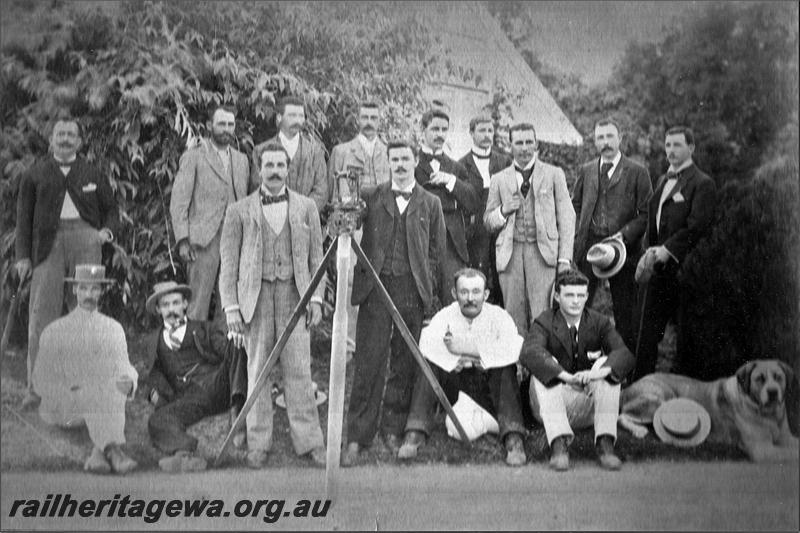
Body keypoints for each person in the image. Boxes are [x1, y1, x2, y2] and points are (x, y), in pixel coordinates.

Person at [219, 142, 326, 468]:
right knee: (257, 371)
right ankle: (258, 442)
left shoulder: (306, 207)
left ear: (288, 169)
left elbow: (317, 258)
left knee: (299, 369)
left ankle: (309, 442)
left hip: (296, 297)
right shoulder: (239, 211)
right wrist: (231, 307)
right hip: (256, 299)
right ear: (259, 169)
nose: (276, 171)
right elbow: (229, 265)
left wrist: (316, 298)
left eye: (281, 165)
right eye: (269, 165)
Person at [342, 140, 447, 466]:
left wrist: (432, 299)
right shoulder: (371, 196)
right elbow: (347, 221)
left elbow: (436, 253)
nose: (400, 164)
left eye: (405, 158)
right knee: (368, 360)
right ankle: (358, 436)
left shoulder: (430, 202)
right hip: (375, 289)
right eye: (395, 159)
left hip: (411, 291)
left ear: (415, 161)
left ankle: (392, 428)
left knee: (404, 362)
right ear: (388, 162)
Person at [15, 116, 119, 410]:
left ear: (79, 141)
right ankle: (36, 389)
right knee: (41, 316)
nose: (64, 139)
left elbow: (111, 209)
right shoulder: (34, 174)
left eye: (70, 135)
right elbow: (23, 219)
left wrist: (104, 233)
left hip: (86, 241)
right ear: (51, 140)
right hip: (47, 245)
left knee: (85, 313)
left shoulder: (92, 172)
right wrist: (23, 257)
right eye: (60, 134)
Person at [399, 268, 527, 465]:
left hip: (488, 389)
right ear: (454, 293)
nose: (470, 298)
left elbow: (514, 347)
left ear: (486, 294)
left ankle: (513, 437)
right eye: (464, 292)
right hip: (455, 386)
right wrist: (454, 361)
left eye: (476, 292)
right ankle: (415, 432)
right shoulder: (445, 316)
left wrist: (472, 352)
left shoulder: (498, 316)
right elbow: (426, 344)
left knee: (505, 370)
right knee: (429, 366)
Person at [520, 269, 634, 471]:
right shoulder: (544, 321)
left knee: (606, 364)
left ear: (587, 296)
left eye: (580, 295)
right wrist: (565, 376)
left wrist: (597, 373)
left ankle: (605, 443)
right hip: (550, 405)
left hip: (586, 405)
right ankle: (559, 445)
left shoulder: (599, 321)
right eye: (569, 295)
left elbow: (624, 354)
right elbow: (530, 352)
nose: (575, 301)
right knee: (545, 367)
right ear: (557, 296)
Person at [32, 264, 138, 475]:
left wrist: (129, 381)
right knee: (96, 392)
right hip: (62, 405)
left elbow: (124, 366)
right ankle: (113, 452)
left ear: (102, 291)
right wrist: (68, 388)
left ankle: (98, 454)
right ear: (74, 290)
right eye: (83, 288)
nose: (89, 295)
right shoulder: (56, 330)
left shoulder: (113, 329)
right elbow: (40, 379)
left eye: (95, 288)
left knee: (111, 388)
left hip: (97, 401)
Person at [633, 126, 717, 380]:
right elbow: (655, 220)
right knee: (645, 335)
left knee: (685, 340)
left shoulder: (702, 183)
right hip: (657, 270)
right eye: (668, 145)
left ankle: (681, 393)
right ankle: (640, 387)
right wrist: (649, 251)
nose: (671, 150)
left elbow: (698, 226)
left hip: (684, 272)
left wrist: (668, 250)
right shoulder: (662, 180)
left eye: (677, 145)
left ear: (691, 148)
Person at [143, 281, 247, 472]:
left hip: (216, 385)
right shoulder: (153, 341)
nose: (171, 309)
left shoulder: (204, 329)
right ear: (158, 309)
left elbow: (225, 350)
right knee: (157, 420)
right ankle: (185, 454)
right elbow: (152, 375)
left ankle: (238, 409)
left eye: (175, 303)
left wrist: (233, 340)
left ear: (185, 304)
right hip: (188, 398)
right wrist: (154, 395)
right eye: (165, 305)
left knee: (236, 344)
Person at [484, 123, 575, 336]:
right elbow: (488, 221)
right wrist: (503, 211)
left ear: (536, 144)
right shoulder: (499, 179)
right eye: (519, 143)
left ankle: (540, 358)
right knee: (513, 317)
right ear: (510, 146)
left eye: (528, 142)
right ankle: (517, 358)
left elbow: (567, 217)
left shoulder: (554, 174)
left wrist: (564, 259)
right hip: (510, 254)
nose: (524, 148)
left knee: (543, 316)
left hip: (543, 254)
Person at [572, 118, 652, 349]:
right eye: (600, 137)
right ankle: (580, 354)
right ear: (594, 141)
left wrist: (623, 236)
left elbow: (646, 213)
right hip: (589, 248)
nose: (605, 142)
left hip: (623, 250)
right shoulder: (587, 170)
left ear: (620, 139)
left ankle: (623, 360)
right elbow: (575, 205)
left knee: (625, 311)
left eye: (610, 136)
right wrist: (578, 234)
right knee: (578, 304)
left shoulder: (637, 172)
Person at [169, 105, 254, 323]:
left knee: (229, 303)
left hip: (234, 240)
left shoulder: (241, 160)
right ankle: (193, 343)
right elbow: (179, 202)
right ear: (209, 125)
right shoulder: (194, 156)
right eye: (221, 124)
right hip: (204, 241)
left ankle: (223, 343)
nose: (226, 129)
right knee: (198, 302)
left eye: (230, 124)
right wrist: (183, 240)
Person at [327, 100, 391, 357]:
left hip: (381, 229)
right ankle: (347, 345)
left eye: (374, 117)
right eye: (365, 117)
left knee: (380, 282)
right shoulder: (342, 151)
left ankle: (375, 345)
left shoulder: (388, 153)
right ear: (357, 119)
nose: (369, 122)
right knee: (349, 282)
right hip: (352, 229)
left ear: (380, 120)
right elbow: (333, 196)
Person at [415, 109, 482, 305]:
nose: (440, 134)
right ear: (423, 130)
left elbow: (473, 203)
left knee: (452, 301)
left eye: (444, 129)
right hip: (420, 239)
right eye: (435, 129)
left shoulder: (456, 168)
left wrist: (450, 180)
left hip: (451, 245)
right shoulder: (412, 165)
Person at [458, 115, 512, 306]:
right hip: (476, 232)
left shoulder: (504, 162)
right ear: (471, 133)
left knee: (502, 277)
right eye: (482, 130)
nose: (487, 135)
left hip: (501, 229)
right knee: (478, 276)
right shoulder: (461, 165)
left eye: (490, 130)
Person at [252, 96, 327, 212]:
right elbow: (257, 188)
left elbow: (321, 191)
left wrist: (302, 213)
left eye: (301, 116)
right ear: (279, 117)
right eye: (292, 115)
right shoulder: (261, 150)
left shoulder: (315, 152)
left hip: (306, 219)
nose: (297, 120)